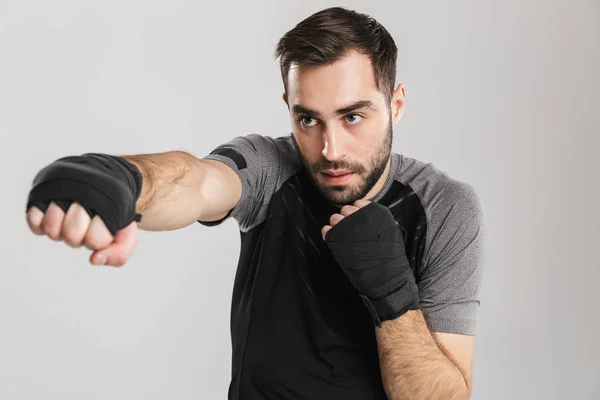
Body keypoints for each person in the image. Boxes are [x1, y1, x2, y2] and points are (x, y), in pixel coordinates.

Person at [24, 6, 486, 400]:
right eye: (308, 119)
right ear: (288, 107)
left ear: (396, 104)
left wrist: (391, 296)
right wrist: (123, 181)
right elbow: (199, 182)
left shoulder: (444, 207)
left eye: (353, 116)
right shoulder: (273, 166)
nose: (330, 149)